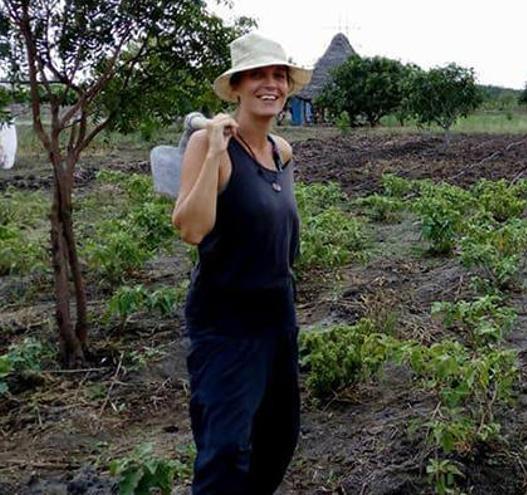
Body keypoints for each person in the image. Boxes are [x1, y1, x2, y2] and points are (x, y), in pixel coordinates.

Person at [171, 32, 311, 494]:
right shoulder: (209, 147)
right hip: (226, 325)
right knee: (226, 450)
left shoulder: (281, 152)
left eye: (279, 75)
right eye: (258, 75)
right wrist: (212, 152)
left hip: (278, 318)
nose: (270, 84)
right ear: (236, 86)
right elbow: (192, 229)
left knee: (279, 438)